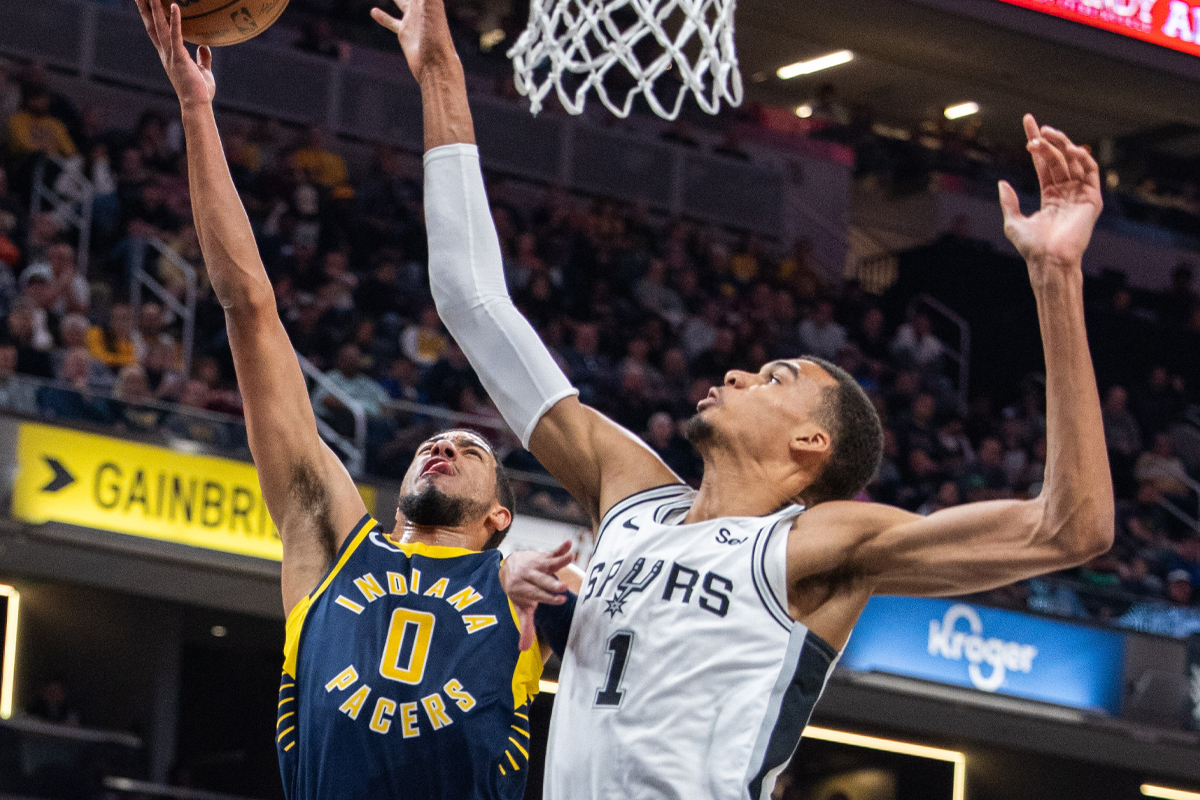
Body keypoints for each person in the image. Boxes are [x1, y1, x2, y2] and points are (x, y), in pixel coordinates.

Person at [407, 9, 1114, 792]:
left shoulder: (815, 544)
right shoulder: (630, 496)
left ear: (812, 445)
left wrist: (1055, 278)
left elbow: (1070, 528)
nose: (740, 376)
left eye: (776, 378)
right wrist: (441, 73)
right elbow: (472, 302)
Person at [132, 3, 574, 798]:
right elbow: (249, 308)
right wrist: (196, 109)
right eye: (432, 444)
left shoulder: (514, 587)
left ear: (498, 517)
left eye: (470, 450)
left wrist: (537, 599)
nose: (442, 447)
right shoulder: (331, 541)